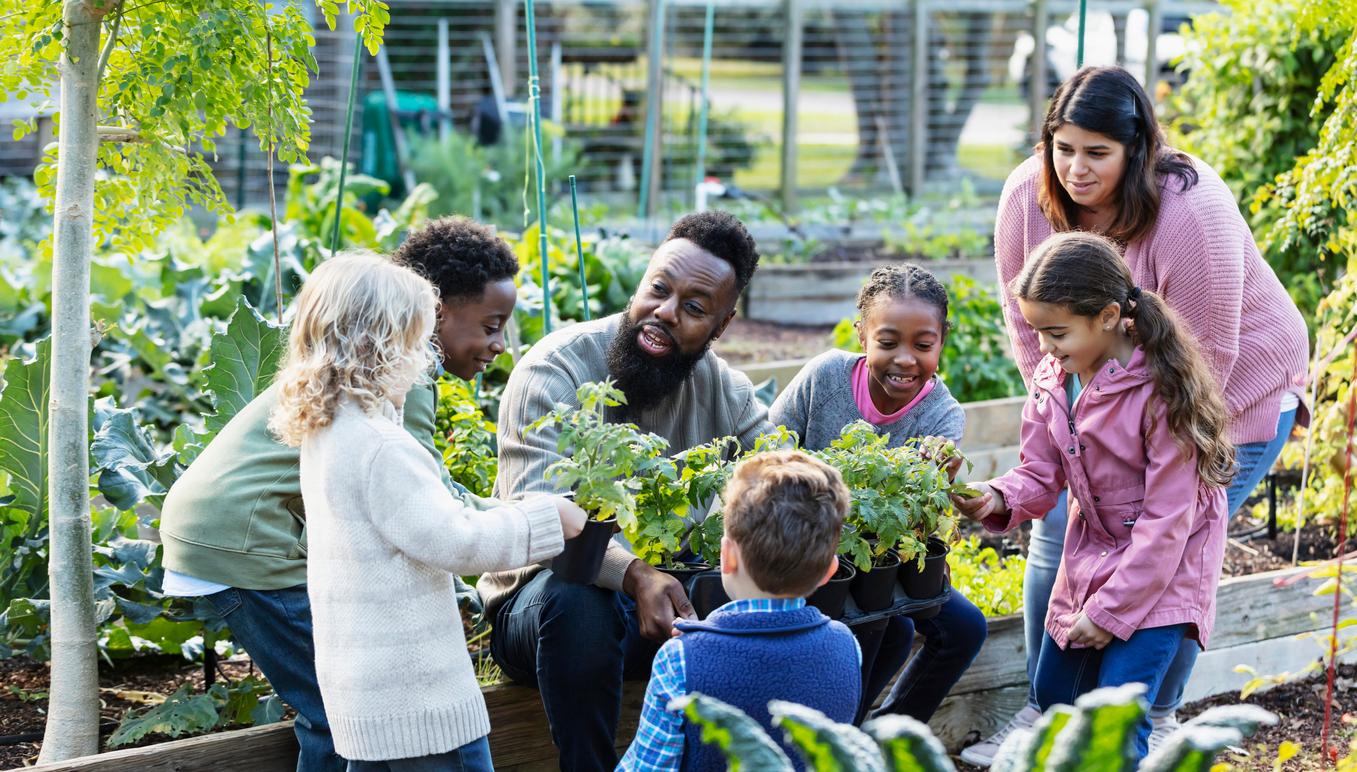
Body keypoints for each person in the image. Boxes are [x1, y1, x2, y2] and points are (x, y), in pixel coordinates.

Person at [969, 65, 1310, 765]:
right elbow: (1028, 331)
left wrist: (1114, 603)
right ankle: (1044, 715)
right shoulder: (1026, 197)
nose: (1074, 169)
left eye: (1096, 152)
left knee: (1174, 546)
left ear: (1138, 149)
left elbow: (1202, 369)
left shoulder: (1189, 211)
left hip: (1228, 390)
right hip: (1106, 389)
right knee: (1058, 527)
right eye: (1062, 148)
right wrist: (1063, 422)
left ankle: (1151, 717)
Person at [159, 217, 525, 772]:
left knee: (338, 712)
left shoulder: (354, 373)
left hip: (224, 532)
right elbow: (433, 500)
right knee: (349, 709)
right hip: (244, 539)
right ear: (437, 313)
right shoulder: (399, 377)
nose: (500, 344)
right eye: (492, 325)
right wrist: (523, 520)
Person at [267, 252, 587, 771]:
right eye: (418, 342)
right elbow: (454, 540)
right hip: (420, 702)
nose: (425, 358)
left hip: (368, 698)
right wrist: (549, 517)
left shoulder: (330, 432)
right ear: (384, 346)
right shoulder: (380, 446)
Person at [480, 210, 774, 771]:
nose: (663, 313)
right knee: (578, 595)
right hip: (537, 611)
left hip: (663, 610)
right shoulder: (556, 370)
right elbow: (541, 526)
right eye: (658, 290)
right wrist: (635, 574)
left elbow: (780, 480)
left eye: (693, 308)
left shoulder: (725, 392)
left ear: (722, 324)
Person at [955, 231, 1234, 760]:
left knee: (1116, 717)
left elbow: (1168, 523)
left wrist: (1108, 613)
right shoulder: (1053, 380)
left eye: (1056, 332)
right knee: (1058, 701)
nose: (1044, 347)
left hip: (1166, 571)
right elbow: (1039, 472)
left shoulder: (1161, 391)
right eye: (1037, 331)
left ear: (1108, 316)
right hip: (1092, 555)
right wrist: (994, 497)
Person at [769, 263, 986, 725]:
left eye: (923, 345)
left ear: (941, 341)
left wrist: (937, 491)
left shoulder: (943, 415)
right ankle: (836, 735)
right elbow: (766, 450)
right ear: (862, 336)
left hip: (884, 557)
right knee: (887, 625)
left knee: (964, 629)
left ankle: (883, 732)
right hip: (804, 548)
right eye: (888, 343)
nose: (905, 359)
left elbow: (923, 512)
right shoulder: (825, 378)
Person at [618, 450, 861, 771]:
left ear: (726, 556)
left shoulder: (678, 660)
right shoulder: (848, 646)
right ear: (829, 571)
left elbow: (648, 767)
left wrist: (692, 651)